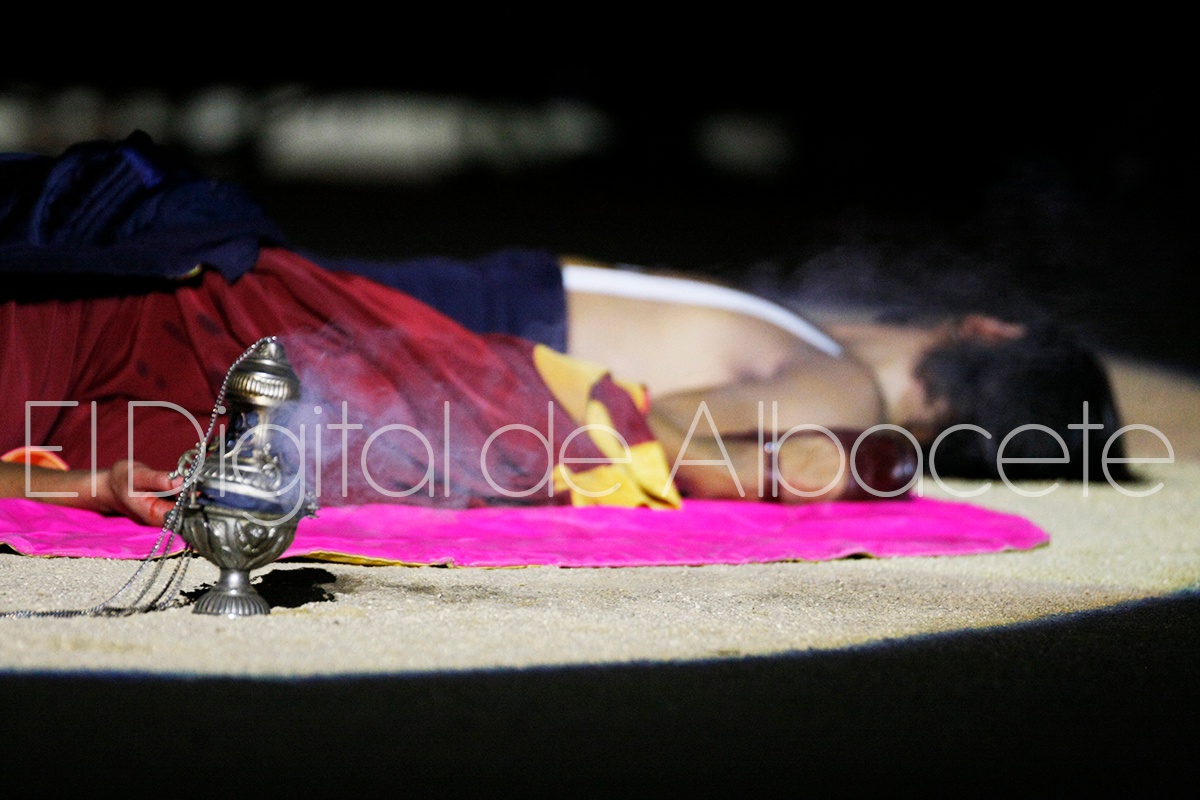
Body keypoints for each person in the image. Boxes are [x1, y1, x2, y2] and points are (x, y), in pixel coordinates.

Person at [0, 133, 1129, 526]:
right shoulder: (836, 358)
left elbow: (670, 425)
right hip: (493, 323)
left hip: (497, 327)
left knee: (219, 320)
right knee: (213, 317)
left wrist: (769, 465)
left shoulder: (841, 380)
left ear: (989, 329)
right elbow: (674, 421)